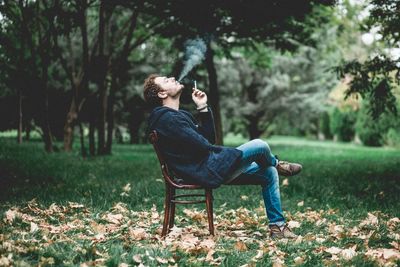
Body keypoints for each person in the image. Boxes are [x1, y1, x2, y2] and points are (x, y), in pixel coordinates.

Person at [144, 74, 302, 239]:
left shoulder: (178, 116)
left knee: (269, 173)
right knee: (260, 145)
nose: (171, 77)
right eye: (165, 80)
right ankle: (277, 163)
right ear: (162, 94)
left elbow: (208, 139)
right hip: (205, 170)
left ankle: (277, 227)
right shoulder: (168, 119)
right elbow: (203, 145)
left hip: (208, 166)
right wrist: (223, 153)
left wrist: (203, 107)